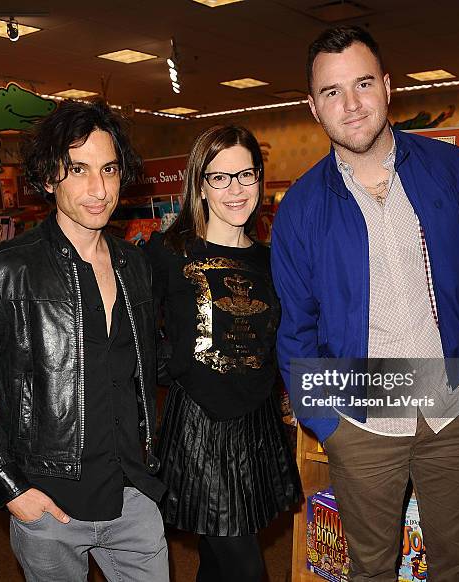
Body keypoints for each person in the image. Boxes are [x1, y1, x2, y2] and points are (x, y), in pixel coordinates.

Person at [271, 26, 459, 582]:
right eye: (332, 92)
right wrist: (327, 421)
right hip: (364, 422)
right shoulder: (302, 209)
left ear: (386, 86)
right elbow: (297, 330)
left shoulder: (449, 171)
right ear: (313, 107)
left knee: (454, 566)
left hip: (456, 408)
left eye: (361, 84)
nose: (350, 104)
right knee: (371, 570)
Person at [0, 100, 169, 582]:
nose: (99, 188)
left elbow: (143, 370)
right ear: (49, 178)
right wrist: (12, 491)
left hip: (133, 497)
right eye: (78, 170)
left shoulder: (135, 265)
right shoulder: (5, 269)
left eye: (109, 169)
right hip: (48, 506)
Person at [146, 125, 301, 582]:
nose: (235, 189)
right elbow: (132, 329)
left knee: (218, 562)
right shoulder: (168, 252)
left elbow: (281, 334)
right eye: (220, 177)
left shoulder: (272, 260)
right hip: (201, 428)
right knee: (246, 567)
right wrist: (174, 366)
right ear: (200, 185)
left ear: (259, 179)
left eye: (245, 175)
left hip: (256, 424)